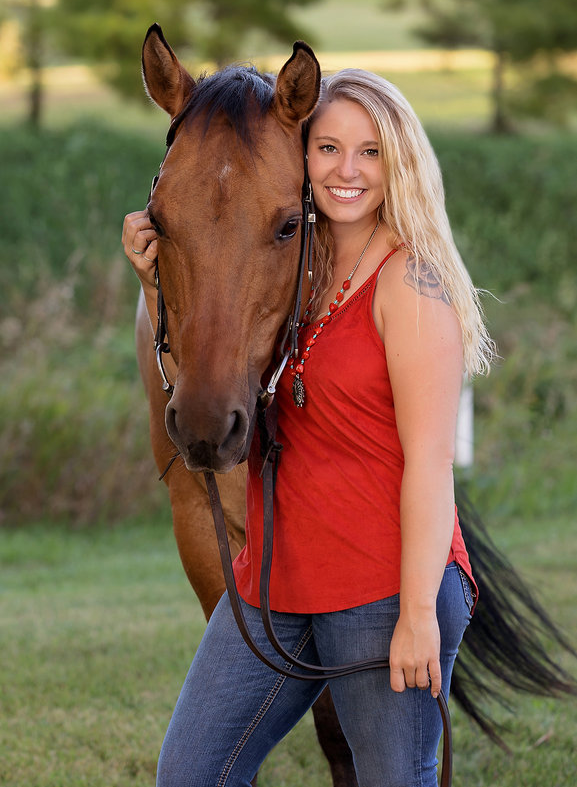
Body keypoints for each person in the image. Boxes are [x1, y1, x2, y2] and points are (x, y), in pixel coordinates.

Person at [123, 68, 495, 787]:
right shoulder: (296, 271)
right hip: (278, 578)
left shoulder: (412, 288)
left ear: (400, 162)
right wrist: (153, 277)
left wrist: (417, 614)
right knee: (190, 771)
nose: (345, 170)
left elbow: (428, 464)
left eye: (369, 152)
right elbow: (221, 328)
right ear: (301, 156)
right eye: (327, 148)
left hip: (378, 585)